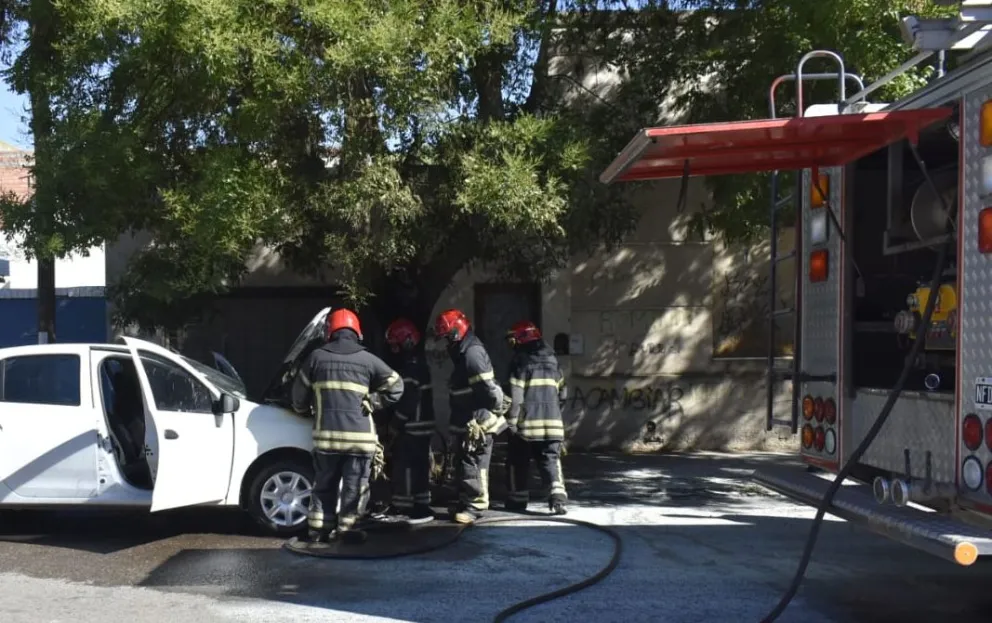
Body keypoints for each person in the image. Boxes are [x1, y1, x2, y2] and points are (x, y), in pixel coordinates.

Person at [291, 308, 404, 545]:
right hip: (359, 441)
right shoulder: (368, 360)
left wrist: (305, 411)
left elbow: (298, 398)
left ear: (330, 331)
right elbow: (396, 386)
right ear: (356, 332)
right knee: (355, 487)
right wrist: (374, 401)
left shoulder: (316, 358)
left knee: (324, 486)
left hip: (327, 439)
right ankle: (348, 531)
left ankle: (319, 532)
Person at [435, 308, 509, 525]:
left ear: (457, 331)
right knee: (465, 462)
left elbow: (488, 388)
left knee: (474, 462)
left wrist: (496, 409)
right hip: (466, 418)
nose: (446, 342)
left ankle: (475, 506)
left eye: (448, 336)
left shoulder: (472, 353)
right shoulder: (464, 352)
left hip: (477, 421)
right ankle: (466, 500)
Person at [504, 320, 569, 515]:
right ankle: (558, 499)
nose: (512, 344)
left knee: (517, 461)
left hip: (527, 426)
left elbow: (516, 399)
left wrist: (512, 424)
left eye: (514, 339)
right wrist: (555, 415)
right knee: (551, 460)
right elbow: (563, 395)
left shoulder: (520, 362)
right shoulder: (554, 361)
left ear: (522, 340)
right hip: (553, 425)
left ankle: (517, 500)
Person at [381, 317, 436, 524]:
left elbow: (407, 402)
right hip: (422, 426)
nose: (392, 349)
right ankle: (421, 504)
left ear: (406, 342)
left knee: (404, 466)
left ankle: (403, 506)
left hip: (411, 427)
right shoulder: (419, 365)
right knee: (420, 467)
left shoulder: (409, 369)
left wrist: (394, 425)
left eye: (395, 344)